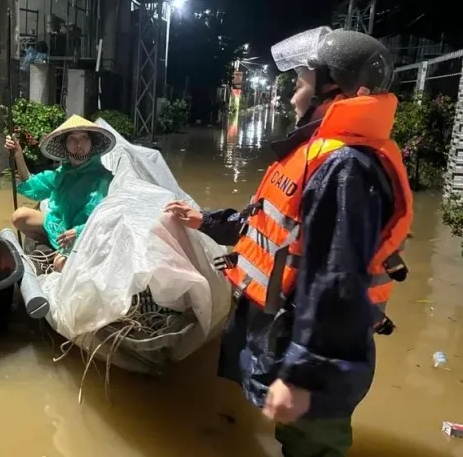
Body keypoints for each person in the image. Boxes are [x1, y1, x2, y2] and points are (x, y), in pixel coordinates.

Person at [165, 27, 413, 455]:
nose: (291, 97)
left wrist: (303, 378)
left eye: (300, 84)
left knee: (309, 449)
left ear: (337, 93)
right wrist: (205, 221)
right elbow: (268, 230)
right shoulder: (321, 155)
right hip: (290, 342)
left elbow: (336, 286)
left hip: (313, 360)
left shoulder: (344, 168)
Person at [6, 115, 115, 272]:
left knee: (60, 265)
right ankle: (54, 247)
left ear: (92, 143)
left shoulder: (103, 178)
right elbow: (33, 186)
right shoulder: (63, 172)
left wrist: (78, 232)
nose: (78, 144)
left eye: (84, 137)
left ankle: (63, 256)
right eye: (72, 139)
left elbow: (105, 218)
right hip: (60, 227)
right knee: (19, 216)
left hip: (87, 234)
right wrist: (18, 155)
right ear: (65, 145)